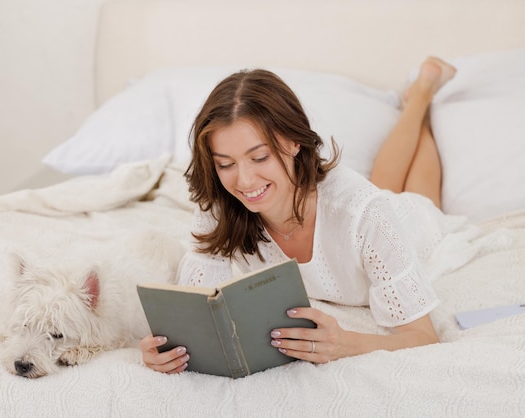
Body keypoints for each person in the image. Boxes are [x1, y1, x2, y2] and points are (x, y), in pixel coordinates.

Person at [139, 57, 489, 374]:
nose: (244, 181)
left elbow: (423, 337)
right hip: (369, 206)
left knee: (416, 198)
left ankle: (422, 97)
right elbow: (196, 305)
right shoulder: (222, 199)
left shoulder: (366, 212)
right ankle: (419, 99)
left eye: (259, 158)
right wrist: (165, 347)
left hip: (411, 223)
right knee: (384, 186)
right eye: (225, 164)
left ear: (294, 142)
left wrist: (346, 343)